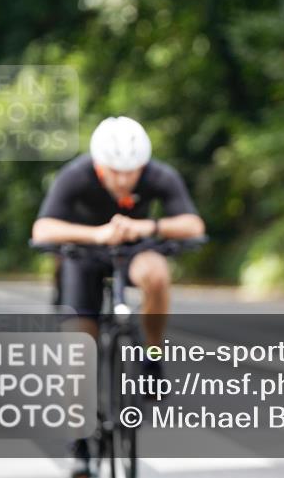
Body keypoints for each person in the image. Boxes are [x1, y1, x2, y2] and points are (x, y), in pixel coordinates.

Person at [31, 116, 205, 478]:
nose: (125, 180)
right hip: (85, 254)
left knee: (157, 274)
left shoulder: (159, 175)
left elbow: (194, 225)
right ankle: (80, 441)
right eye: (115, 172)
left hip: (137, 248)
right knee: (79, 343)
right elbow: (43, 227)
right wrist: (97, 235)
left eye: (133, 172)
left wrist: (149, 226)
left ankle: (151, 357)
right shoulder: (75, 175)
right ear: (99, 165)